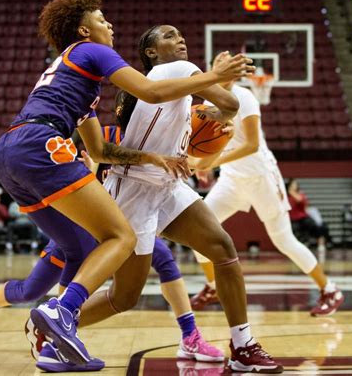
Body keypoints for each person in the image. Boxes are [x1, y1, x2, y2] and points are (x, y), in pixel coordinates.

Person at [0, 0, 252, 369]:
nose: (109, 25)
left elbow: (100, 151)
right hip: (42, 143)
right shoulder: (92, 51)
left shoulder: (76, 81)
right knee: (120, 236)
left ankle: (57, 340)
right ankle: (63, 312)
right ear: (84, 30)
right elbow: (150, 90)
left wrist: (152, 156)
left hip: (10, 153)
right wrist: (211, 77)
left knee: (76, 251)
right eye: (100, 19)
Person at [32, 24, 282, 373]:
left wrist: (201, 126)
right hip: (133, 191)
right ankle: (52, 327)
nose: (180, 39)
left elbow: (113, 150)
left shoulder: (146, 91)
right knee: (124, 297)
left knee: (222, 248)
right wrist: (220, 109)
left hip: (167, 182)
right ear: (151, 52)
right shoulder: (176, 70)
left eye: (181, 34)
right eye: (168, 35)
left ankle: (243, 344)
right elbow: (230, 102)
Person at [0, 126, 224, 372]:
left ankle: (190, 334)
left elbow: (182, 162)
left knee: (164, 257)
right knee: (31, 290)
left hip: (117, 228)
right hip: (79, 228)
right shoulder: (102, 139)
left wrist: (210, 155)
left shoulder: (151, 144)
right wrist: (89, 168)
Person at [190, 76, 344, 318]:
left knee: (284, 240)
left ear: (233, 74)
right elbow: (215, 142)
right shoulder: (210, 102)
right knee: (198, 229)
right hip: (231, 179)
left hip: (260, 176)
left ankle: (330, 290)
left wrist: (212, 163)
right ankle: (213, 287)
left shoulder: (245, 97)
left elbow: (251, 145)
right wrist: (203, 163)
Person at [287, 178, 332, 249]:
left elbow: (301, 201)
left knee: (315, 225)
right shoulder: (287, 197)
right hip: (292, 219)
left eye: (295, 184)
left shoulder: (300, 194)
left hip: (303, 218)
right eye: (293, 184)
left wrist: (292, 192)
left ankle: (320, 243)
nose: (294, 185)